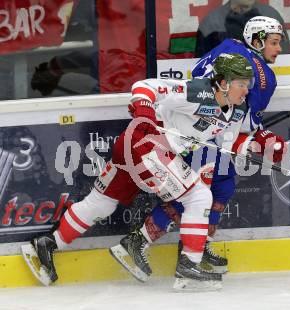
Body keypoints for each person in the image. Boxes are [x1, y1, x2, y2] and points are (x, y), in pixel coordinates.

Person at [22, 53, 260, 291]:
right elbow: (145, 86)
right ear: (224, 83)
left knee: (102, 203)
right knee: (198, 196)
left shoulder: (229, 108)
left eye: (247, 84)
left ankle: (45, 244)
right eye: (242, 84)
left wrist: (254, 147)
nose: (246, 90)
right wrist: (145, 111)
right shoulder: (199, 92)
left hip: (134, 145)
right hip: (148, 146)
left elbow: (226, 141)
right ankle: (189, 264)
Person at [110, 16, 286, 280]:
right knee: (195, 193)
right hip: (202, 136)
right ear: (258, 41)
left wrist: (252, 139)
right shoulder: (263, 75)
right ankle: (141, 242)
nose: (279, 48)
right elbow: (246, 119)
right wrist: (260, 136)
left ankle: (197, 247)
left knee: (221, 187)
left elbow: (209, 90)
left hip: (212, 132)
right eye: (274, 42)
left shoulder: (228, 45)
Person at [195, 0, 290, 57]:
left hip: (267, 82)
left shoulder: (271, 16)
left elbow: (285, 57)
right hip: (227, 85)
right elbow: (202, 64)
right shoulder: (211, 22)